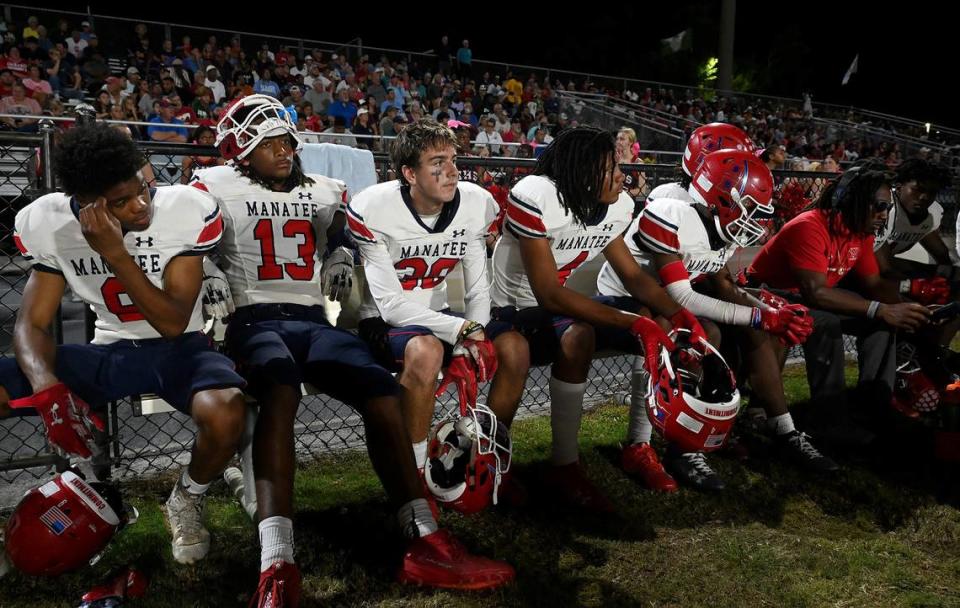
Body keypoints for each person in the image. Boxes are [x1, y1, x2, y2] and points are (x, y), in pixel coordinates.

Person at [194, 96, 515, 606]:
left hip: (312, 320)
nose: (283, 151)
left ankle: (422, 532)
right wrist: (209, 272)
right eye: (268, 143)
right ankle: (277, 558)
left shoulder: (325, 190)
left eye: (287, 141)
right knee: (280, 391)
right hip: (252, 320)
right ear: (240, 149)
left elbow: (342, 238)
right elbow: (194, 246)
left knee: (381, 389)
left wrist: (340, 252)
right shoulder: (211, 187)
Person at [0, 124, 248, 569]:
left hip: (181, 347)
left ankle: (186, 498)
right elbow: (32, 323)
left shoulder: (182, 210)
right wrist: (48, 392)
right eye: (122, 202)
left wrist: (115, 252)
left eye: (144, 190)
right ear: (88, 204)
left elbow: (173, 322)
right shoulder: (51, 222)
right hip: (110, 349)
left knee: (227, 409)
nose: (141, 205)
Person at [489, 126, 704, 511]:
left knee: (650, 316)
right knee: (581, 334)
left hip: (558, 308)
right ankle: (551, 464)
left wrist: (679, 313)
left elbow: (635, 277)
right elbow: (547, 293)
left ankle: (639, 446)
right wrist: (634, 323)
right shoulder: (537, 195)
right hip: (511, 310)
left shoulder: (615, 206)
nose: (622, 176)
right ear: (581, 172)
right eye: (611, 168)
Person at [350, 119, 530, 507]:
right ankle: (413, 478)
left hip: (444, 317)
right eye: (437, 162)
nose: (452, 171)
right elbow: (393, 306)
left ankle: (476, 456)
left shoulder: (473, 204)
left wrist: (474, 333)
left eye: (452, 159)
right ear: (409, 173)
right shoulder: (375, 208)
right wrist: (463, 330)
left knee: (513, 346)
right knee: (427, 350)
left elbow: (478, 287)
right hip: (385, 321)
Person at [742, 165, 931, 442]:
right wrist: (882, 308)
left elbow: (874, 285)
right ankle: (828, 421)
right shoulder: (809, 226)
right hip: (766, 295)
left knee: (879, 323)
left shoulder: (861, 232)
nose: (884, 214)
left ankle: (874, 407)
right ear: (852, 201)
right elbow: (815, 293)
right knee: (825, 322)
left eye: (888, 207)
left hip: (802, 295)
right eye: (879, 206)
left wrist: (910, 310)